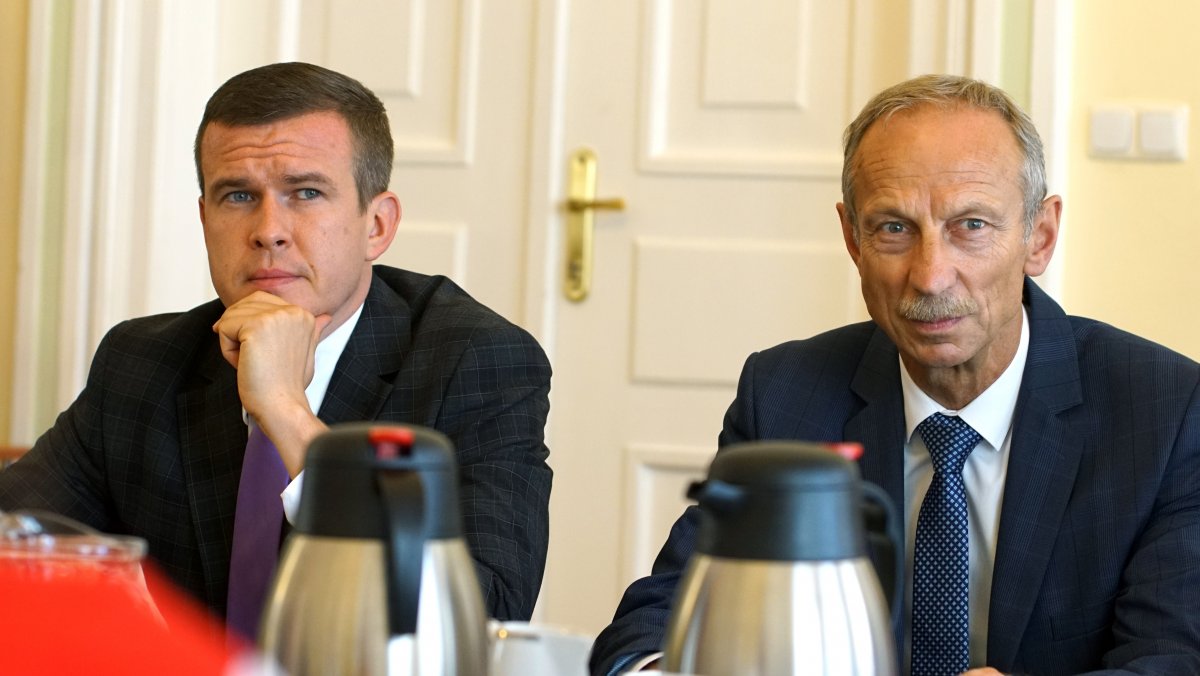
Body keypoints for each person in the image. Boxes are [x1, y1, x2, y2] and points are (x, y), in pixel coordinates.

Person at [589, 74, 1200, 676]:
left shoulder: (1164, 410)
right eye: (893, 229)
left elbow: (1171, 658)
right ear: (852, 239)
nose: (930, 277)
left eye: (971, 225)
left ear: (1039, 237)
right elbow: (655, 627)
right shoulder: (786, 394)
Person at [0, 62, 552, 637]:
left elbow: (480, 616)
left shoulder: (476, 362)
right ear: (205, 219)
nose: (268, 230)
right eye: (238, 195)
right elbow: (14, 541)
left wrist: (287, 410)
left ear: (377, 225)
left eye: (306, 192)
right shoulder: (141, 362)